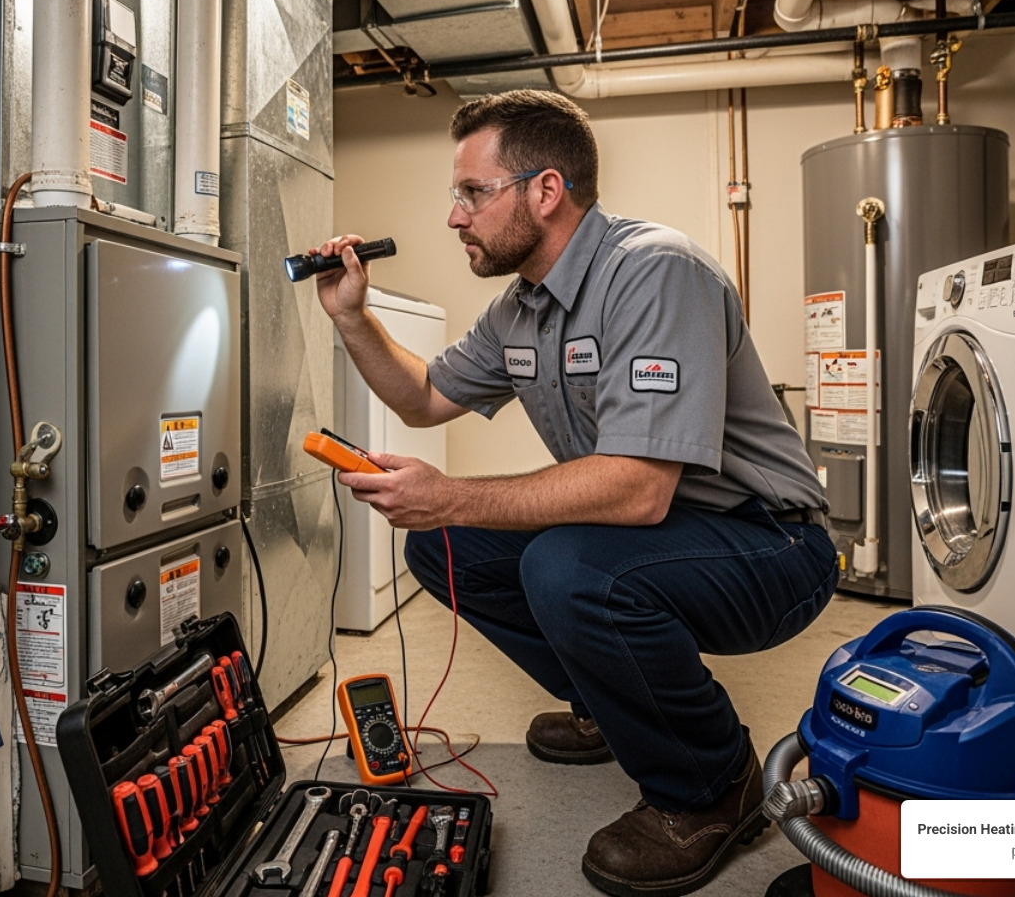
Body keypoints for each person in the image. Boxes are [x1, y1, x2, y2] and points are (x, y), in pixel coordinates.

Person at [311, 89, 837, 897]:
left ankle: (713, 784)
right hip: (661, 533)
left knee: (567, 568)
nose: (455, 216)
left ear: (546, 190)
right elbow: (423, 396)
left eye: (473, 192)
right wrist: (352, 316)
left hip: (772, 544)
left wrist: (452, 493)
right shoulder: (519, 309)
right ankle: (609, 701)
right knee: (444, 546)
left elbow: (637, 491)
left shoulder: (655, 271)